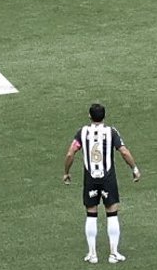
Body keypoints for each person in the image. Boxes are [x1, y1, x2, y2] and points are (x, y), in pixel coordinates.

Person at [63, 103, 140, 263]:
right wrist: (134, 168)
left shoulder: (82, 132)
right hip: (107, 178)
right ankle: (113, 254)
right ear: (104, 116)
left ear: (89, 116)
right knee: (112, 213)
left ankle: (92, 254)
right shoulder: (111, 132)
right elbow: (124, 151)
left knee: (91, 213)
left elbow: (71, 153)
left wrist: (67, 172)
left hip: (90, 178)